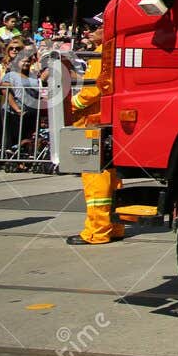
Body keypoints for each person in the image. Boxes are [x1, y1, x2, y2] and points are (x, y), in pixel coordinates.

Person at [65, 17, 119, 246]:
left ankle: (97, 231)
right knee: (111, 179)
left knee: (94, 178)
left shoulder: (102, 52)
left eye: (94, 27)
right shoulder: (114, 50)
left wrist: (74, 103)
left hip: (93, 123)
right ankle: (113, 225)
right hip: (107, 122)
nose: (88, 31)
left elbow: (96, 87)